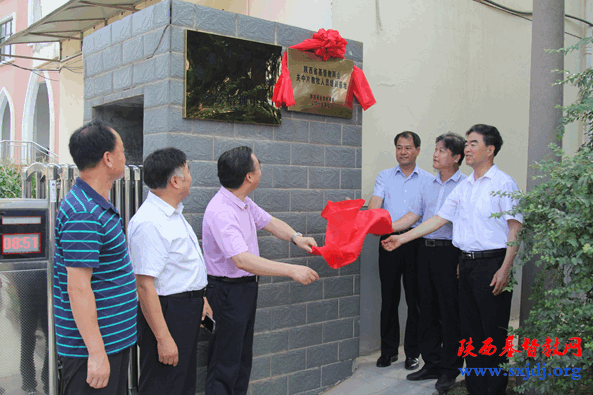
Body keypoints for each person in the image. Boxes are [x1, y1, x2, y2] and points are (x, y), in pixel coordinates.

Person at [382, 124, 522, 395]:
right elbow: (437, 219)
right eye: (466, 143)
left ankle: (494, 390)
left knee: (492, 335)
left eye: (473, 143)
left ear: (490, 150)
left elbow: (515, 228)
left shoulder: (504, 183)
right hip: (466, 265)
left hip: (492, 264)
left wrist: (506, 267)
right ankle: (476, 388)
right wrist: (401, 238)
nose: (467, 148)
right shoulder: (465, 186)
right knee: (471, 334)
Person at [202, 146, 319, 395]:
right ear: (249, 177)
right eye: (258, 165)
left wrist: (296, 237)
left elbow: (270, 222)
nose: (260, 169)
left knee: (242, 360)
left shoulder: (241, 202)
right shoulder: (222, 211)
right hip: (224, 294)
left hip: (244, 290)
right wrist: (291, 270)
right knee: (224, 363)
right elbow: (242, 260)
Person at [53, 119, 137, 395]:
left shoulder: (94, 204)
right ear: (108, 158)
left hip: (111, 341)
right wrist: (97, 353)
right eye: (122, 150)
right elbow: (78, 287)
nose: (126, 156)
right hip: (93, 350)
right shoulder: (84, 213)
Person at [128, 148, 213, 395]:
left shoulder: (173, 214)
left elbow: (178, 268)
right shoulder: (150, 222)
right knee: (162, 384)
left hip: (184, 309)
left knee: (181, 384)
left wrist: (200, 299)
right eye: (187, 170)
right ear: (175, 181)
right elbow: (144, 286)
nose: (190, 175)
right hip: (166, 313)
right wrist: (163, 338)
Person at [389, 133, 466, 392]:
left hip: (450, 253)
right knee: (426, 309)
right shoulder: (429, 185)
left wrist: (461, 259)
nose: (435, 154)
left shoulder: (465, 186)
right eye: (435, 149)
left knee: (449, 313)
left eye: (442, 150)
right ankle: (431, 362)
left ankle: (449, 368)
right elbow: (414, 215)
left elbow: (464, 226)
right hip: (424, 251)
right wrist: (386, 228)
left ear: (456, 158)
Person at [368, 131, 432, 369]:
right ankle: (388, 351)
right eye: (399, 147)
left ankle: (413, 352)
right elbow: (376, 200)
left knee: (415, 299)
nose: (402, 152)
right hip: (388, 240)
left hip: (415, 240)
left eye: (407, 148)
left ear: (417, 150)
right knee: (389, 297)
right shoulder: (385, 176)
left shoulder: (427, 179)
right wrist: (372, 218)